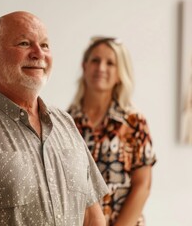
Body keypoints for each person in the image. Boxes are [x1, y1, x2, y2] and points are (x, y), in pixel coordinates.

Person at [0, 11, 109, 226]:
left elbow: (91, 216)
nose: (38, 54)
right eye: (24, 43)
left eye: (44, 45)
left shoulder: (66, 124)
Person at [67, 36, 157, 226]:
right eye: (95, 61)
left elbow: (143, 185)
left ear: (119, 74)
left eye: (110, 63)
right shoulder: (66, 122)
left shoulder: (134, 122)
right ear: (84, 67)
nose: (101, 68)